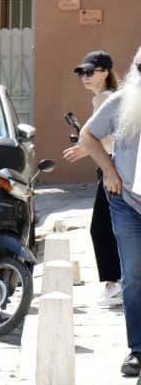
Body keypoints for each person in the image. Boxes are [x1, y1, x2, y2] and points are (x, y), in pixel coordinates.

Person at [78, 45, 141, 378]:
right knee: (133, 276)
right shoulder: (122, 101)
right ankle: (138, 349)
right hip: (127, 201)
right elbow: (88, 135)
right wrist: (109, 170)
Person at [63, 49, 122, 308]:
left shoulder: (106, 99)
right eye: (81, 73)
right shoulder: (103, 98)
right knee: (113, 226)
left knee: (102, 227)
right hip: (112, 166)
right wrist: (84, 147)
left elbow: (108, 137)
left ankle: (115, 284)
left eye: (90, 72)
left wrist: (84, 149)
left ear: (105, 72)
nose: (85, 77)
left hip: (113, 168)